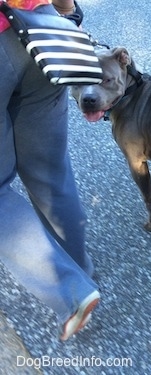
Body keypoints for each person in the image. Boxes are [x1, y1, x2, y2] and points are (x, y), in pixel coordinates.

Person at [0, 0, 100, 341]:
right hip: (40, 30)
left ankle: (71, 290)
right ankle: (81, 271)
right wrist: (68, 14)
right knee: (50, 171)